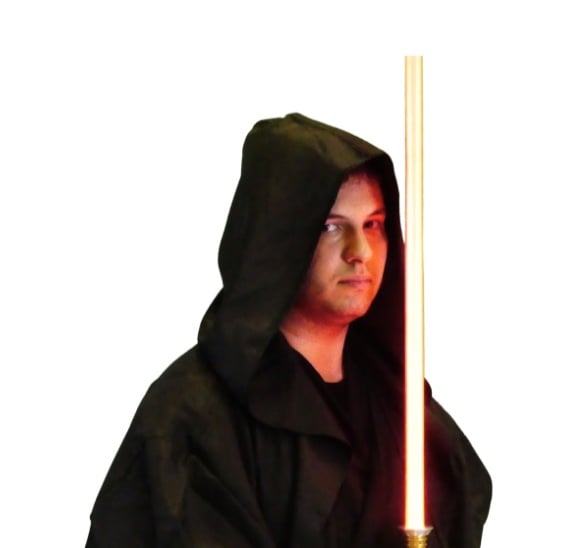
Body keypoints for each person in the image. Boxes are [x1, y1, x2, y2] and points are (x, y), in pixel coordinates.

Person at [86, 113, 492, 547]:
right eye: (332, 227)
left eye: (373, 225)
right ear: (279, 239)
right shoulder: (193, 416)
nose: (360, 252)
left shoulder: (401, 407)